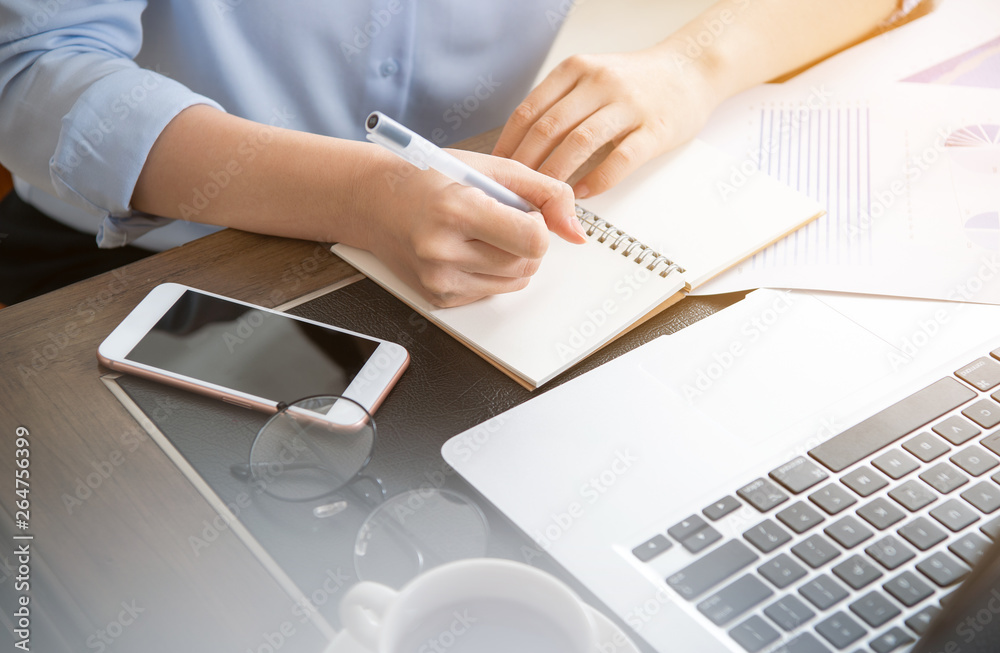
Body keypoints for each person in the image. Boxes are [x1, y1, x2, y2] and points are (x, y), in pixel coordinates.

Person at [0, 0, 925, 306]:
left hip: (481, 240)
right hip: (128, 267)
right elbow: (34, 68)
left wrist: (689, 67)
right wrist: (359, 196)